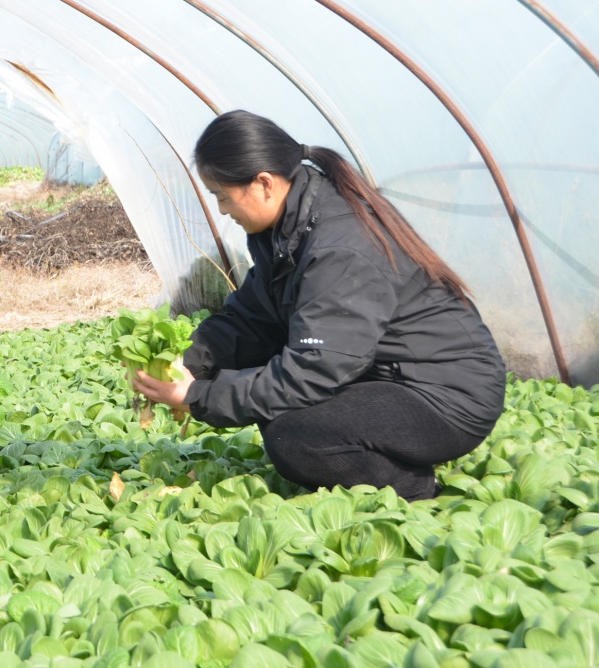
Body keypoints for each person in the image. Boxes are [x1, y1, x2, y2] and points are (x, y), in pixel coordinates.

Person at [132, 110, 505, 501]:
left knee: (296, 438)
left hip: (447, 396)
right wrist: (188, 362)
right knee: (282, 410)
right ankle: (389, 455)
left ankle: (414, 490)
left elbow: (311, 370)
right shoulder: (290, 231)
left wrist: (198, 397)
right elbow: (252, 320)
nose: (223, 209)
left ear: (264, 184)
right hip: (388, 372)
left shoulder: (337, 247)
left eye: (223, 196)